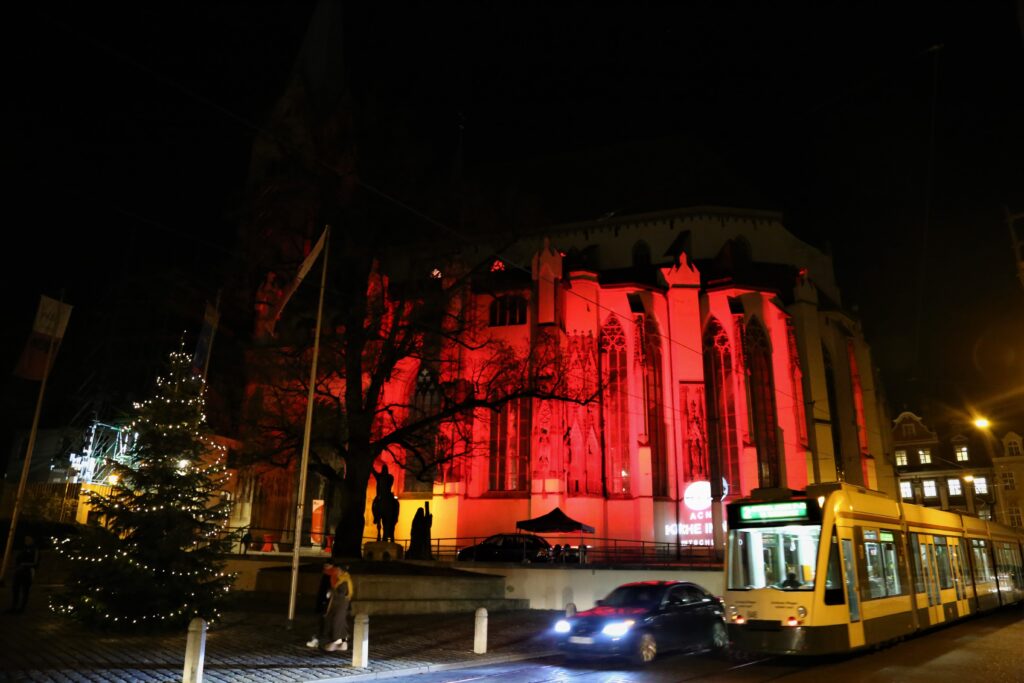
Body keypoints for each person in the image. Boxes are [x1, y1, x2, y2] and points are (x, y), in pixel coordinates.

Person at [307, 561, 354, 652]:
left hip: (340, 605)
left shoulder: (344, 580)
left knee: (337, 622)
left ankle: (336, 642)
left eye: (339, 570)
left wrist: (331, 592)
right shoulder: (340, 578)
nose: (337, 571)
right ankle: (342, 642)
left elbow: (342, 593)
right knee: (339, 623)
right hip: (337, 604)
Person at [10, 535, 39, 613]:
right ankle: (14, 606)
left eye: (28, 539)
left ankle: (22, 608)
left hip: (27, 572)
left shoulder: (35, 549)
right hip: (19, 571)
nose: (26, 541)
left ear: (33, 540)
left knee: (25, 590)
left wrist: (24, 564)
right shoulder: (23, 549)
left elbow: (35, 563)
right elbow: (18, 559)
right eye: (25, 539)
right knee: (15, 589)